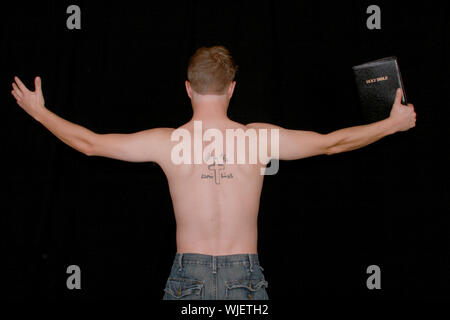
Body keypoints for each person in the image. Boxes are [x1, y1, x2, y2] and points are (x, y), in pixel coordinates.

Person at [10, 46, 416, 300]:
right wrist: (391, 125)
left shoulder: (166, 142)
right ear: (232, 89)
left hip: (189, 278)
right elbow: (332, 143)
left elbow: (90, 143)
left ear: (188, 88)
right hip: (246, 277)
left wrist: (39, 112)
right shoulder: (258, 139)